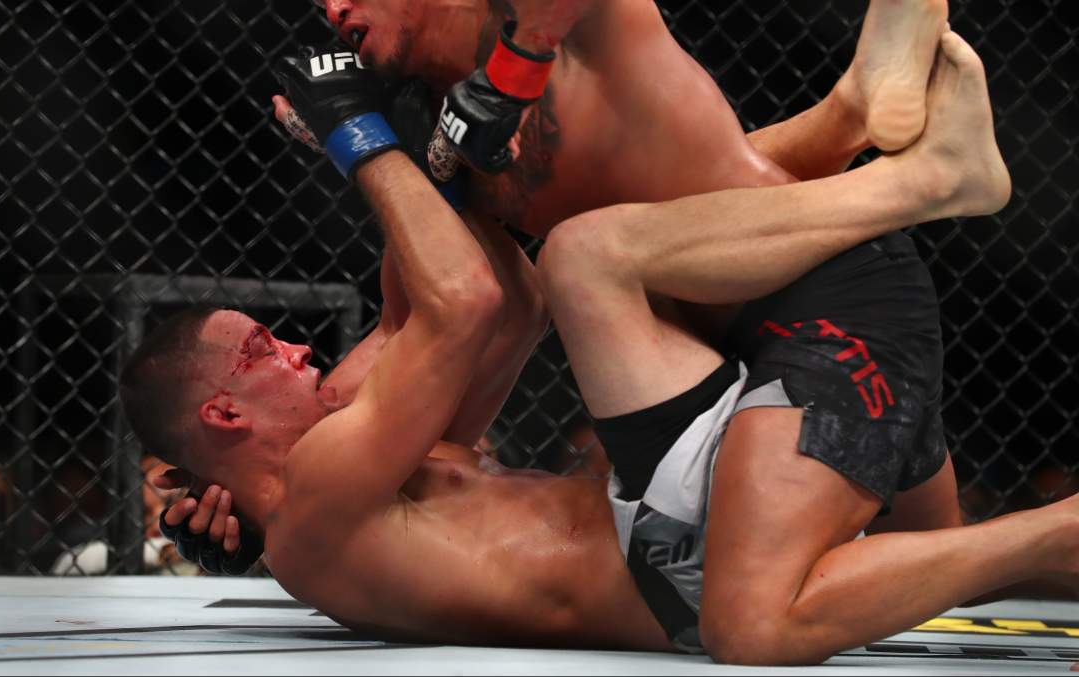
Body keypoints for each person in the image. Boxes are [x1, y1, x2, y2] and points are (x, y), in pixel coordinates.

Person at [131, 26, 1079, 664]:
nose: (299, 350)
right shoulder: (312, 501)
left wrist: (443, 167)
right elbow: (460, 298)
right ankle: (906, 174)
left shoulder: (342, 444)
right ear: (223, 412)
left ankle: (848, 120)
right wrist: (357, 137)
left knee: (581, 239)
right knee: (590, 252)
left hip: (697, 490)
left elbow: (505, 302)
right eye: (263, 352)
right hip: (682, 565)